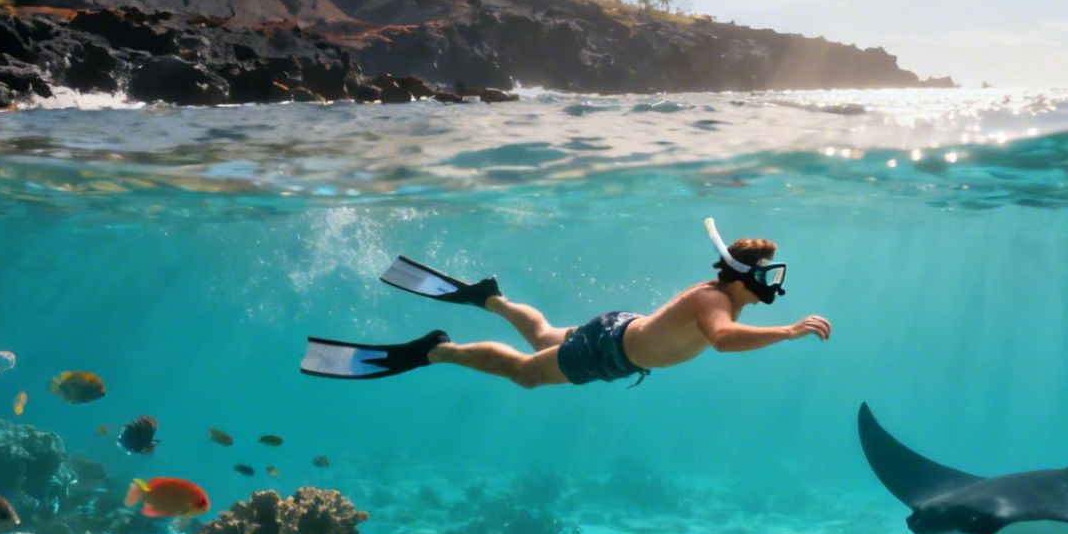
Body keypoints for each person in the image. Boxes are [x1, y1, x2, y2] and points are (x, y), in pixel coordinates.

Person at [301, 219, 830, 387]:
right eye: (768, 274)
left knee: (542, 335)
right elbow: (721, 341)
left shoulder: (717, 294)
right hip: (611, 352)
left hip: (616, 332)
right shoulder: (716, 301)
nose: (774, 283)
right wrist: (787, 332)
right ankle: (439, 350)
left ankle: (491, 299)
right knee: (529, 373)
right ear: (743, 276)